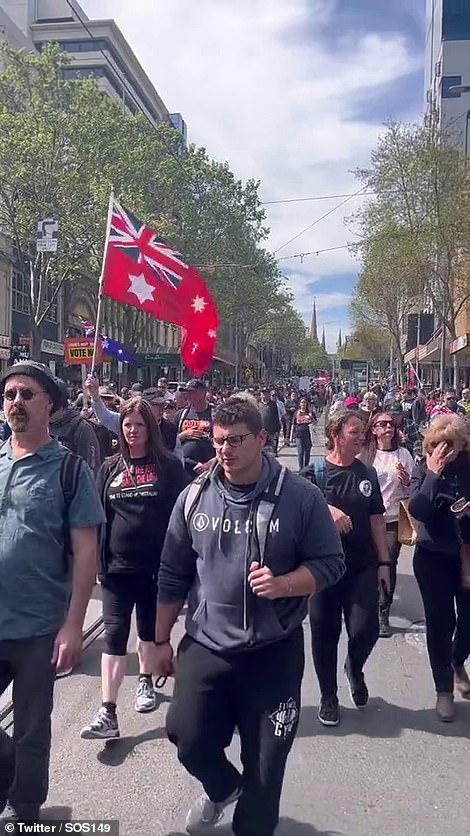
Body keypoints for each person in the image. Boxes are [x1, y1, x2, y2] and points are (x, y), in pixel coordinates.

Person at [145, 397, 345, 836]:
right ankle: (220, 788)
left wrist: (284, 584)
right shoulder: (194, 496)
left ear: (262, 439)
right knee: (187, 737)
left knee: (266, 771)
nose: (225, 450)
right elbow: (171, 572)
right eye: (218, 441)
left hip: (273, 651)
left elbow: (331, 563)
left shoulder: (301, 496)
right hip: (207, 644)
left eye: (236, 440)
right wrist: (158, 642)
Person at [0, 361, 104, 824]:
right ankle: (8, 779)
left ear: (50, 404)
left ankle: (24, 812)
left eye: (26, 394)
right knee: (14, 745)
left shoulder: (70, 470)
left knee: (31, 730)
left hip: (39, 626)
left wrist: (73, 624)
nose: (15, 402)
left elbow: (86, 552)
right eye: (9, 395)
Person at [80, 397, 187, 740]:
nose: (132, 430)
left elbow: (183, 512)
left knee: (147, 633)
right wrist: (98, 561)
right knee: (113, 636)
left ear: (149, 429)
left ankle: (145, 682)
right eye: (127, 424)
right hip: (115, 569)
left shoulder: (167, 467)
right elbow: (97, 516)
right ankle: (107, 712)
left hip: (155, 568)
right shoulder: (109, 468)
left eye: (139, 424)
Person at [301, 411, 390, 726]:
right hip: (323, 570)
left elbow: (377, 520)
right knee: (325, 634)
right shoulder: (315, 473)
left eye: (362, 432)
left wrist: (384, 562)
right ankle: (329, 697)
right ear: (336, 434)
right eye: (354, 432)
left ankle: (354, 666)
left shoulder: (367, 474)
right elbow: (297, 509)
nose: (361, 436)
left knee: (366, 629)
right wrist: (327, 508)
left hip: (361, 567)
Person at [408, 415, 470, 722]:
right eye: (439, 443)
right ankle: (443, 689)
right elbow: (418, 509)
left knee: (468, 622)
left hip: (467, 555)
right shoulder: (423, 467)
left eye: (453, 444)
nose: (446, 450)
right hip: (433, 556)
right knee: (440, 623)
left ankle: (458, 661)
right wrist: (433, 474)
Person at [362, 413, 414, 637]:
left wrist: (406, 481)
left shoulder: (403, 454)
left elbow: (413, 488)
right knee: (368, 563)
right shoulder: (365, 455)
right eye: (382, 424)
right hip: (367, 519)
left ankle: (383, 611)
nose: (387, 428)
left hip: (392, 519)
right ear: (373, 429)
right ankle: (366, 606)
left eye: (391, 424)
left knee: (388, 561)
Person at [49, 378, 101, 476]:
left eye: (53, 409)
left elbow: (91, 469)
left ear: (62, 405)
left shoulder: (81, 429)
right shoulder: (39, 427)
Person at [175, 379, 215, 476]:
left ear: (203, 393)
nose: (188, 395)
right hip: (185, 468)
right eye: (187, 392)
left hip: (208, 468)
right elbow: (170, 443)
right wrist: (183, 435)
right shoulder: (181, 414)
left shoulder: (215, 414)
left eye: (191, 392)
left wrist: (208, 464)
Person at [290, 397, 315, 470]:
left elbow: (315, 423)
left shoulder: (309, 412)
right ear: (299, 404)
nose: (303, 404)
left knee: (307, 453)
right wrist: (291, 437)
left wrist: (311, 417)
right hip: (298, 435)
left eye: (304, 402)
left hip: (308, 435)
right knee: (300, 453)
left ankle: (306, 468)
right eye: (302, 402)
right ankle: (301, 469)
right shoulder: (296, 413)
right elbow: (293, 425)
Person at [259, 388, 281, 455]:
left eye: (266, 393)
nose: (264, 395)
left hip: (271, 431)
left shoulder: (273, 405)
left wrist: (277, 430)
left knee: (270, 452)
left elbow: (276, 418)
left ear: (269, 395)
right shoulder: (257, 404)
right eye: (263, 394)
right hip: (260, 431)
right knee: (260, 451)